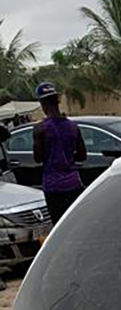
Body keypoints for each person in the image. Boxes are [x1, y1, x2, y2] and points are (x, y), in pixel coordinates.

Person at [33, 83, 87, 225]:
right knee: (76, 223)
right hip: (74, 182)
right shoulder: (73, 127)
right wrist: (67, 157)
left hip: (53, 186)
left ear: (43, 104)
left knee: (59, 225)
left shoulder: (40, 129)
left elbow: (38, 158)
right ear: (57, 101)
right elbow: (82, 156)